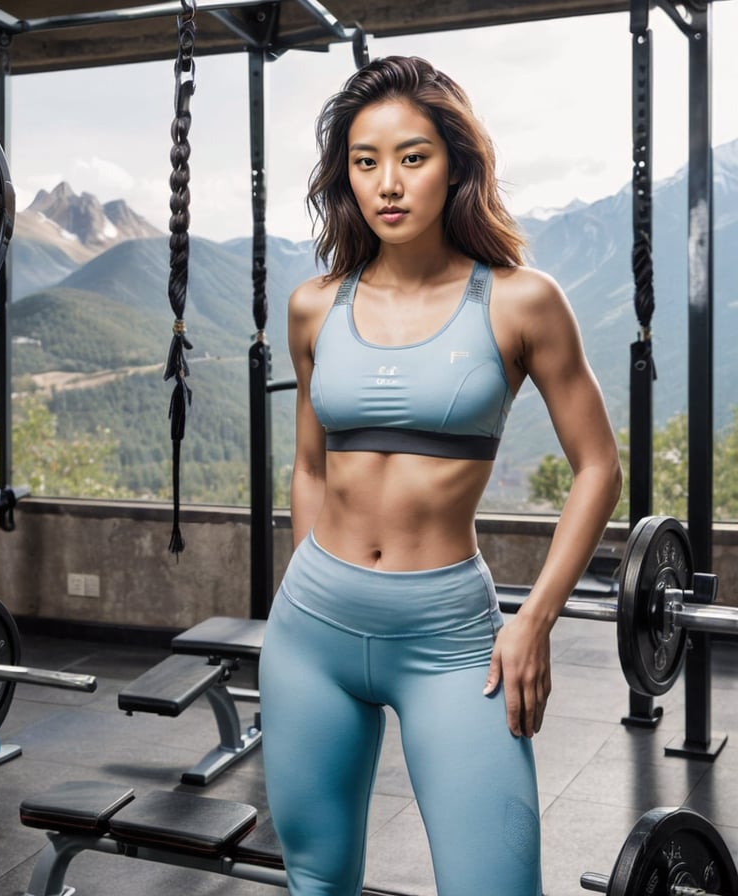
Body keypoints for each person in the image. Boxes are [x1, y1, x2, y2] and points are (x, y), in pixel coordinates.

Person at [258, 55, 622, 896]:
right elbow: (310, 462)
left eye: (413, 157)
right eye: (365, 160)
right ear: (345, 176)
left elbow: (598, 466)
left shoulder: (520, 301)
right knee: (315, 881)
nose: (388, 183)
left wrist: (534, 621)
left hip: (451, 641)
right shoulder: (317, 305)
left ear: (455, 163)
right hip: (312, 629)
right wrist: (303, 585)